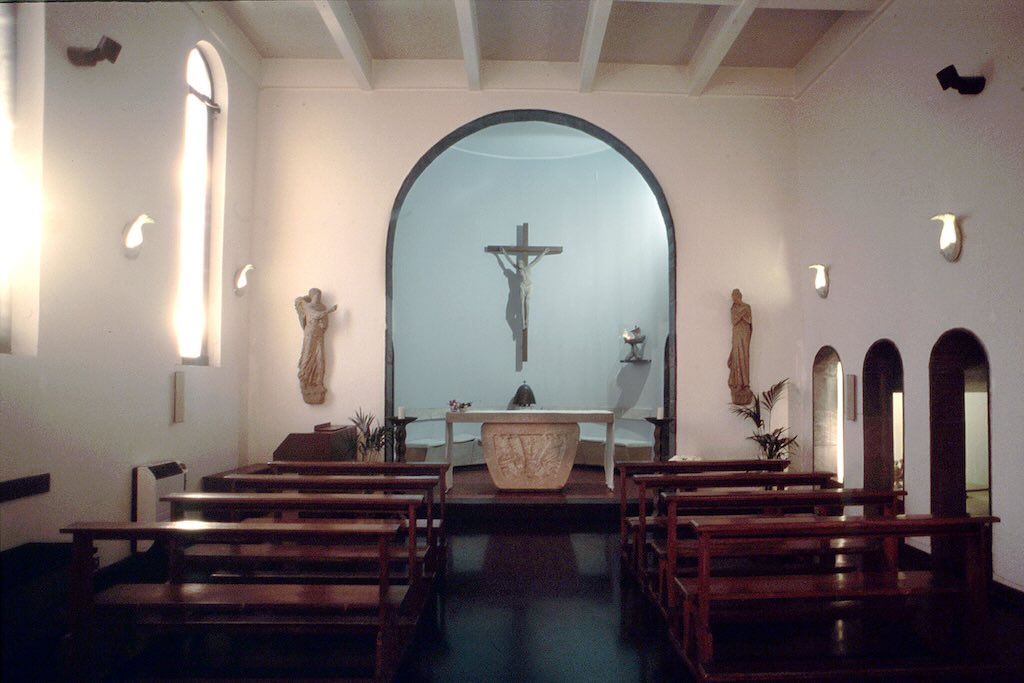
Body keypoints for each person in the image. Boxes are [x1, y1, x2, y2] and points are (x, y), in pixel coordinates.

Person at [295, 288, 337, 404]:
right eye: (316, 294)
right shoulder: (308, 307)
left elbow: (325, 324)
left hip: (319, 336)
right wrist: (330, 310)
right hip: (310, 335)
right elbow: (314, 316)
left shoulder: (322, 307)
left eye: (320, 295)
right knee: (307, 357)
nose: (318, 297)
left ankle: (319, 382)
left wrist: (323, 324)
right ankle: (304, 379)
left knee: (320, 359)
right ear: (312, 295)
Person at [727, 288, 753, 405]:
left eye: (735, 297)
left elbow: (749, 320)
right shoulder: (733, 308)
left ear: (739, 296)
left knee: (745, 358)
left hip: (745, 334)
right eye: (733, 297)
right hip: (737, 334)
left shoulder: (747, 307)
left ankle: (746, 384)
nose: (734, 299)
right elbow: (734, 320)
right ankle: (738, 383)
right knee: (737, 358)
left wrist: (742, 315)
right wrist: (741, 314)